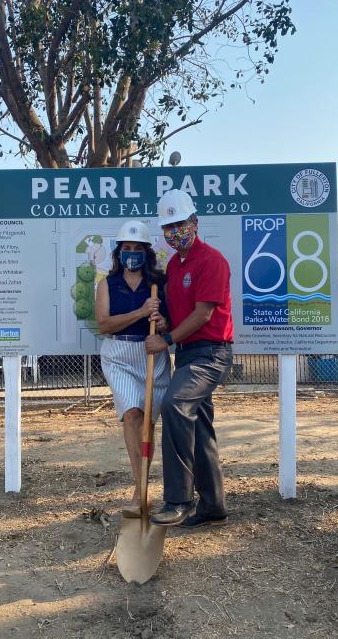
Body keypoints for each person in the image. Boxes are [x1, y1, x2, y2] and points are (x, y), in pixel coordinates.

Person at [145, 189, 233, 528]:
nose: (173, 231)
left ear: (195, 223)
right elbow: (179, 314)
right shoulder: (174, 266)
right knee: (200, 426)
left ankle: (179, 499)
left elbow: (203, 315)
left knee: (175, 405)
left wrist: (165, 339)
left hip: (211, 354)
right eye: (167, 226)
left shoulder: (211, 260)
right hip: (187, 355)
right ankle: (213, 506)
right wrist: (164, 319)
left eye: (179, 223)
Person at [95, 220, 170, 517]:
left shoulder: (159, 284)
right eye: (127, 248)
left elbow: (172, 322)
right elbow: (104, 324)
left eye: (138, 248)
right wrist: (140, 312)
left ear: (147, 252)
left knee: (148, 423)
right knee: (132, 415)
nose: (132, 253)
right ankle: (140, 491)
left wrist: (164, 325)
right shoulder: (107, 284)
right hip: (119, 354)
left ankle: (143, 489)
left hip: (152, 354)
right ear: (119, 252)